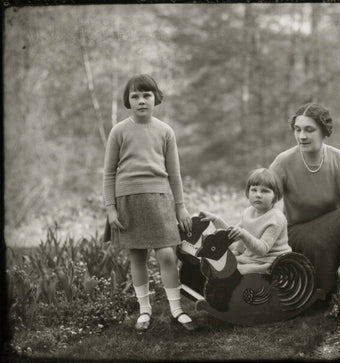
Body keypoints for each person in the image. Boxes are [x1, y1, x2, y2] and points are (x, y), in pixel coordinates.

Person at [103, 74, 195, 332]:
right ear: (128, 100)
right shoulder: (119, 131)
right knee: (137, 255)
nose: (141, 101)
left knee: (167, 254)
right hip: (128, 199)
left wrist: (180, 205)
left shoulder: (165, 131)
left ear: (156, 98)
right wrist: (110, 209)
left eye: (146, 95)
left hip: (160, 198)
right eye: (135, 96)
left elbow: (174, 173)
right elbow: (109, 173)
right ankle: (145, 310)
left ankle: (176, 309)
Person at [268, 102, 340, 297]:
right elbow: (262, 204)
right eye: (297, 129)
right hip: (299, 235)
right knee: (316, 242)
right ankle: (322, 291)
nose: (302, 136)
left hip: (333, 231)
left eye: (309, 130)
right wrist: (246, 241)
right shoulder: (283, 162)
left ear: (324, 131)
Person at [200, 168, 292, 275]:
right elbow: (232, 236)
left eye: (265, 191)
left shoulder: (276, 218)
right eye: (254, 190)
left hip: (269, 261)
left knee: (232, 271)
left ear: (276, 196)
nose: (258, 195)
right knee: (218, 264)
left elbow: (262, 250)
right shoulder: (248, 212)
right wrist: (216, 220)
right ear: (248, 192)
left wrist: (243, 234)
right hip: (250, 258)